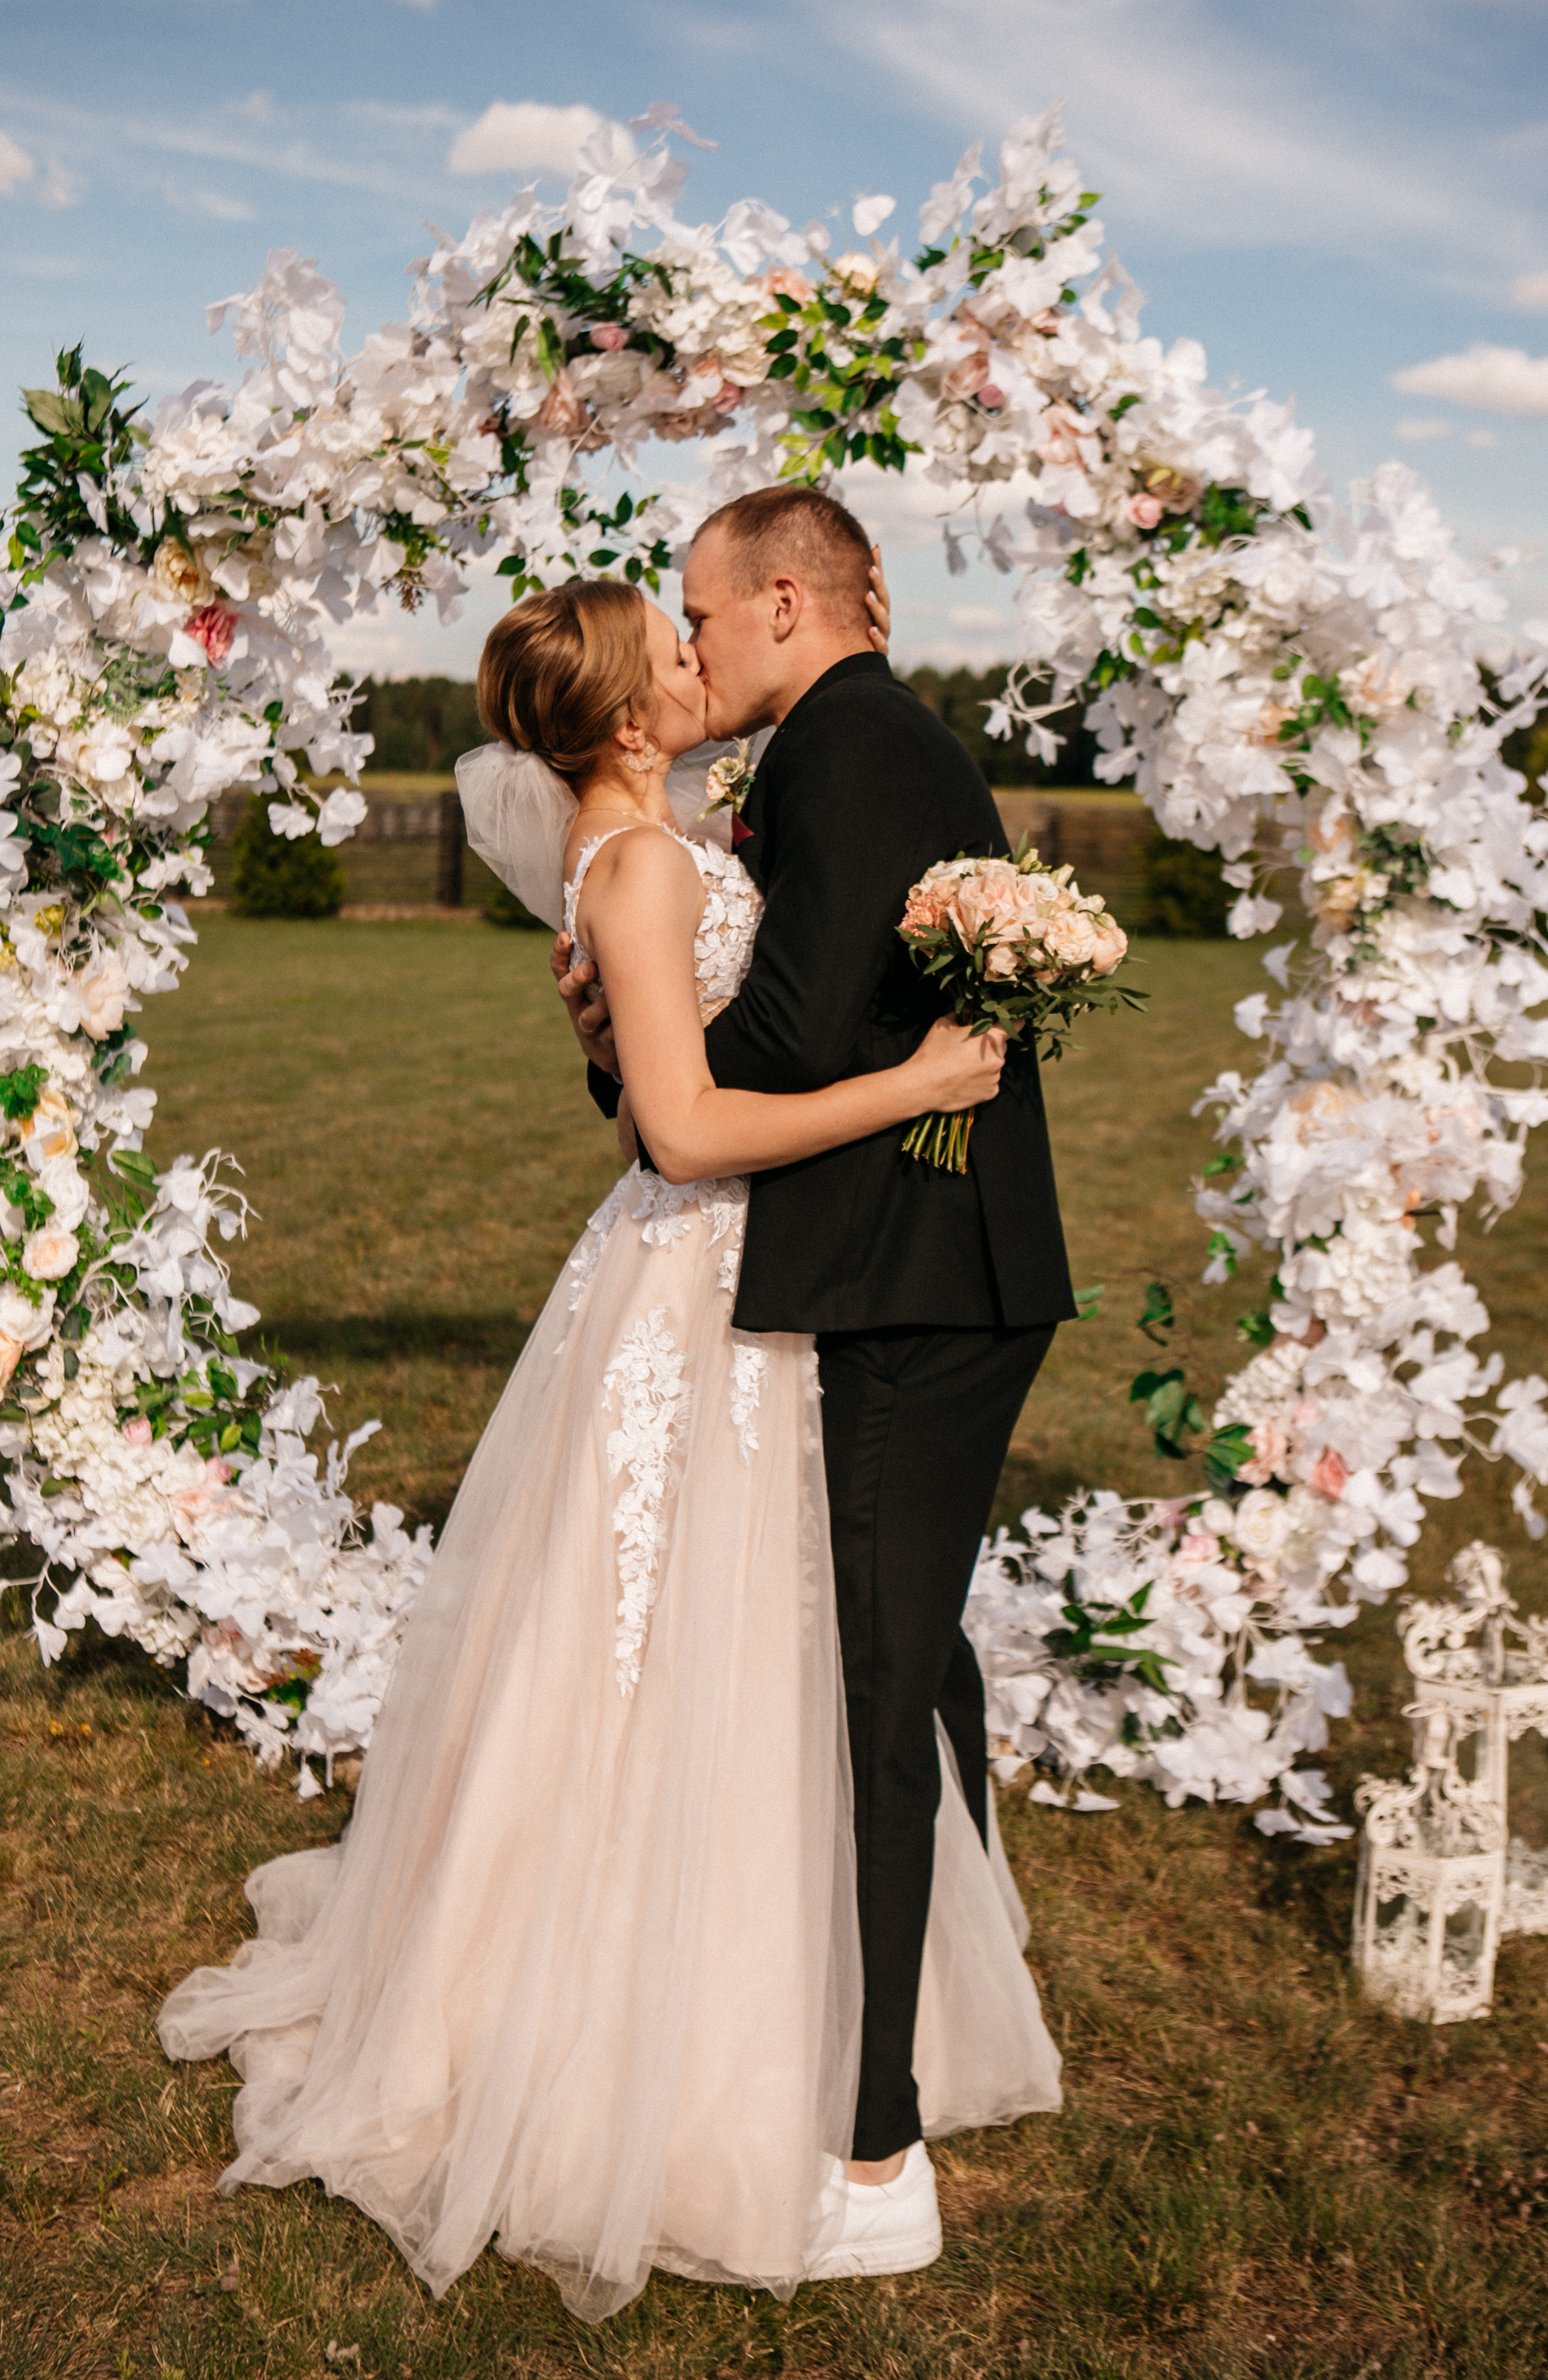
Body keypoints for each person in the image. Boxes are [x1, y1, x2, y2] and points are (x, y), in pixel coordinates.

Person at [156, 569, 1062, 2324]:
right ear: (636, 716)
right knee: (654, 1638)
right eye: (675, 645)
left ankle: (738, 1984)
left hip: (725, 1276)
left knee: (713, 1644)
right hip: (698, 1278)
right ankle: (620, 2025)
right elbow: (689, 1128)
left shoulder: (654, 840)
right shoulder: (640, 863)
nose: (700, 655)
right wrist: (921, 1085)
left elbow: (676, 1060)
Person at [555, 487, 1076, 2221]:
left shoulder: (845, 746)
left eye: (703, 616)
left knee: (873, 1681)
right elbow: (788, 1024)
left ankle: (876, 2140)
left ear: (785, 600)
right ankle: (948, 2010)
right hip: (910, 1258)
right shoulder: (860, 737)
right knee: (914, 1661)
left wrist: (647, 1048)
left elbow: (784, 1029)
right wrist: (633, 1039)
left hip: (913, 1273)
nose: (695, 649)